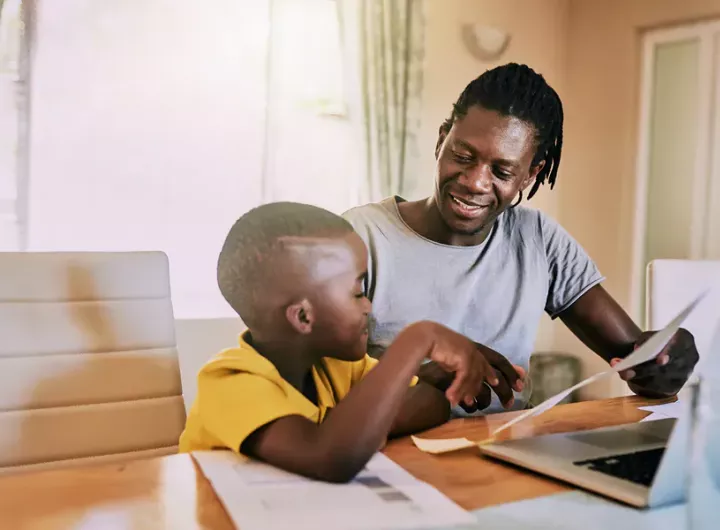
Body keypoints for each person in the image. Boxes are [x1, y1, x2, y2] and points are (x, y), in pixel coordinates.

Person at [344, 63, 698, 415]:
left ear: (531, 174)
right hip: (389, 454)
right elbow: (310, 387)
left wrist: (666, 363)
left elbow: (637, 363)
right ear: (441, 140)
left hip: (502, 452)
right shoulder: (360, 237)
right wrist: (420, 377)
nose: (476, 182)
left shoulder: (538, 239)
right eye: (463, 156)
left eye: (502, 171)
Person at [179, 202, 523, 482]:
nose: (368, 305)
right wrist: (419, 339)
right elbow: (329, 457)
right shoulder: (231, 383)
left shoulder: (337, 367)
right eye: (358, 291)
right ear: (302, 317)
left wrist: (433, 381)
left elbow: (430, 405)